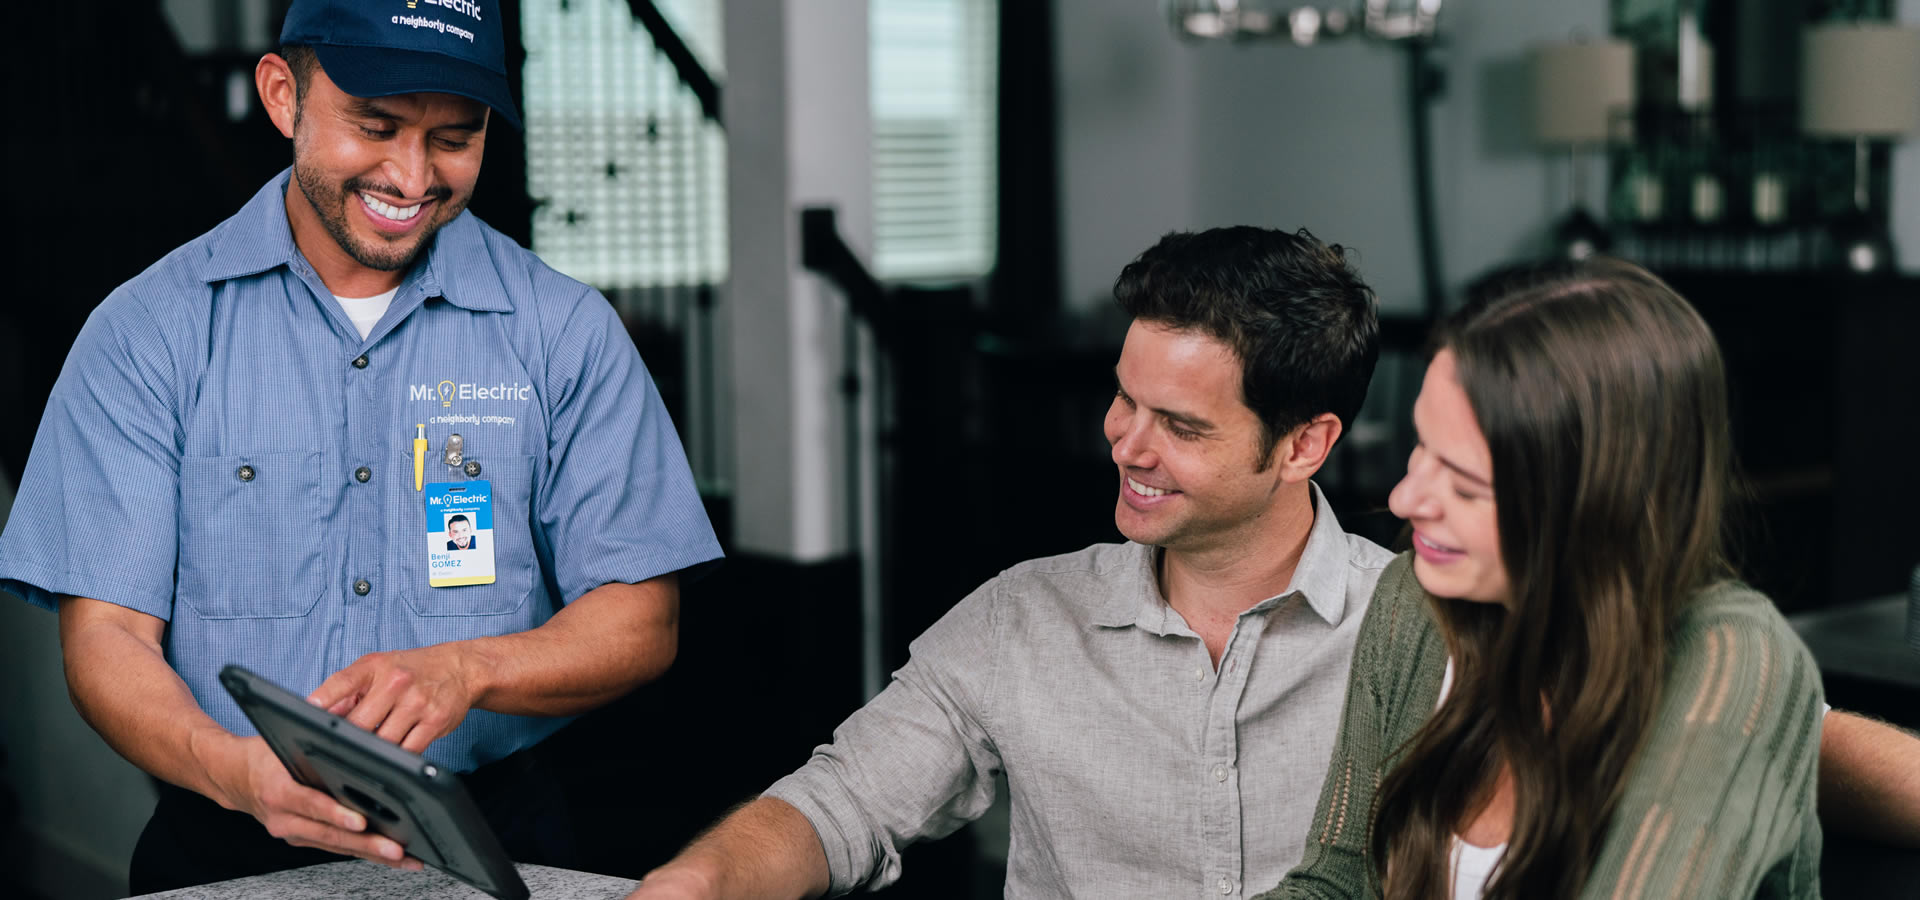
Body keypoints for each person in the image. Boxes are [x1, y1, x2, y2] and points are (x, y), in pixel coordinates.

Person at [0, 0, 720, 892]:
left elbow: (642, 617)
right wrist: (231, 768)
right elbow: (105, 635)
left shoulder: (563, 331)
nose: (412, 175)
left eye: (455, 137)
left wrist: (471, 668)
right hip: (221, 845)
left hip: (500, 839)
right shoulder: (149, 333)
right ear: (281, 95)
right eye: (375, 127)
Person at [633, 225, 1394, 898]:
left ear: (1303, 446)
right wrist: (699, 882)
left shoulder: (1421, 630)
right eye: (1126, 399)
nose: (1125, 444)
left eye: (1182, 427)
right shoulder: (1023, 614)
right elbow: (844, 802)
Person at [1257, 258, 1822, 899]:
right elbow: (1337, 883)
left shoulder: (1734, 656)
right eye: (1422, 448)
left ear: (1596, 503)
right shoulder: (1414, 598)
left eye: (1467, 486)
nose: (1407, 499)